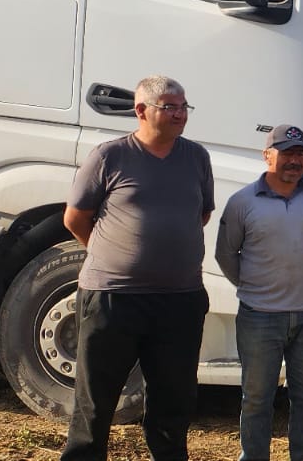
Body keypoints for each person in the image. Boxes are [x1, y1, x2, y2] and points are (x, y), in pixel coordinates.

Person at [61, 75, 213, 461]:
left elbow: (201, 214)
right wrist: (113, 255)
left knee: (174, 398)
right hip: (113, 299)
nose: (180, 114)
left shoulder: (197, 157)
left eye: (184, 107)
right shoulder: (109, 156)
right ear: (141, 110)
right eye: (170, 107)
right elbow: (75, 218)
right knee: (95, 400)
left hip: (180, 300)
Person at [215, 125, 303, 461]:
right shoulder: (242, 202)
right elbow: (226, 254)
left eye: (301, 154)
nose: (295, 161)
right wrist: (253, 288)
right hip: (260, 317)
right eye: (287, 153)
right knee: (256, 397)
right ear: (267, 155)